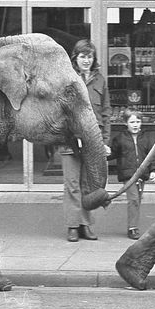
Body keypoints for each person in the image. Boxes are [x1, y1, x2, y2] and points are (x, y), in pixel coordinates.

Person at [63, 39, 112, 243]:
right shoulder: (68, 78)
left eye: (89, 56)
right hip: (70, 140)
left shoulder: (100, 80)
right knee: (72, 184)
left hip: (93, 140)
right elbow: (61, 111)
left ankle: (86, 225)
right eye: (83, 56)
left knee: (87, 184)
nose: (86, 60)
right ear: (76, 58)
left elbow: (106, 112)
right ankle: (73, 226)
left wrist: (105, 141)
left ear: (94, 59)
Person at [108, 110, 155, 240]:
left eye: (137, 121)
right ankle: (133, 228)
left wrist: (152, 171)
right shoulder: (119, 138)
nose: (135, 124)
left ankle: (133, 224)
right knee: (134, 199)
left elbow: (150, 156)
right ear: (126, 123)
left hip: (142, 173)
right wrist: (105, 153)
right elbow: (113, 154)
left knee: (137, 201)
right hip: (128, 174)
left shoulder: (146, 138)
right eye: (132, 122)